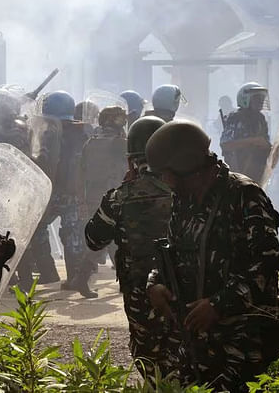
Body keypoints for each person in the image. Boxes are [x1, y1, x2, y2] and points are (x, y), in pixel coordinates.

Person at [145, 121, 279, 391]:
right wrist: (155, 283)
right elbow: (170, 250)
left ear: (187, 165)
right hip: (197, 338)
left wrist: (218, 304)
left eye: (167, 174)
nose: (165, 182)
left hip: (243, 335)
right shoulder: (184, 199)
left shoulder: (244, 195)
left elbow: (266, 265)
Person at [84, 116, 176, 377]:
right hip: (188, 290)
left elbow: (93, 240)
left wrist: (125, 189)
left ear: (131, 160)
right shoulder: (187, 190)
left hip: (140, 295)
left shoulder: (120, 198)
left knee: (150, 361)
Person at [20, 90, 91, 295]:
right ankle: (75, 278)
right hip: (73, 193)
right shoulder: (83, 132)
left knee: (36, 230)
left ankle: (49, 271)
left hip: (50, 191)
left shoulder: (45, 132)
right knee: (72, 236)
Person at [74, 105, 129, 294]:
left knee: (107, 238)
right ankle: (81, 278)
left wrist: (81, 200)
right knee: (115, 239)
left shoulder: (90, 142)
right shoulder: (120, 144)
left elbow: (80, 175)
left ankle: (122, 281)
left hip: (94, 197)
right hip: (114, 196)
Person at [219, 82, 271, 183]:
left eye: (262, 98)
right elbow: (226, 144)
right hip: (239, 171)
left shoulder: (261, 119)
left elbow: (265, 143)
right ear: (245, 99)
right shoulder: (236, 117)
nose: (261, 102)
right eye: (257, 98)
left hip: (258, 169)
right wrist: (253, 141)